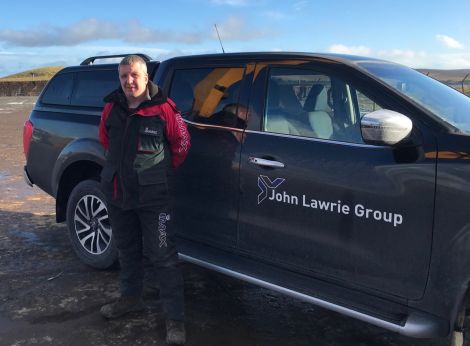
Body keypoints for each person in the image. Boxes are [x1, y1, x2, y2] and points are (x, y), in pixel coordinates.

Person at [98, 55, 190, 345]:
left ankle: (175, 320)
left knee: (163, 257)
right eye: (124, 76)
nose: (129, 81)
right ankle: (130, 299)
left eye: (135, 75)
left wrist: (157, 174)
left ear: (146, 77)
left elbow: (182, 144)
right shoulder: (111, 107)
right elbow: (104, 139)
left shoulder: (164, 108)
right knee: (126, 249)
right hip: (118, 194)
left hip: (154, 199)